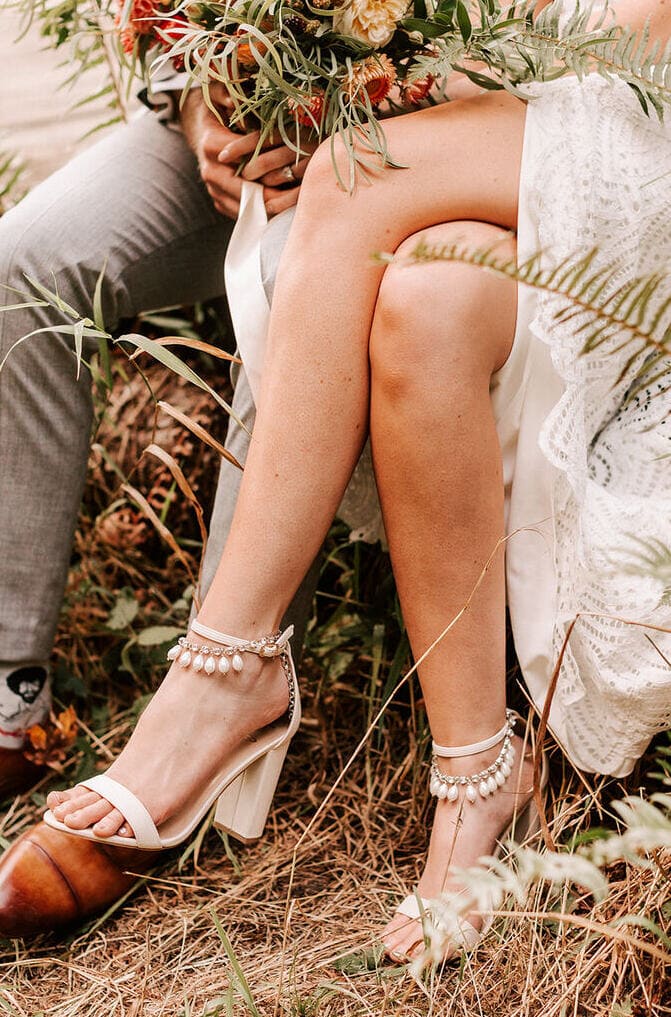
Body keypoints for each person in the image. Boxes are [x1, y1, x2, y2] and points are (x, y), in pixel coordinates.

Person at [14, 0, 671, 956]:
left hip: (621, 108)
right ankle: (482, 777)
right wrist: (258, 68)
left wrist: (369, 78)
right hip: (479, 128)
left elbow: (634, 38)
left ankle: (227, 668)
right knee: (428, 305)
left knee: (352, 171)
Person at [0, 75, 320, 932]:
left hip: (415, 146)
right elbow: (160, 19)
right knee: (26, 262)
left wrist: (343, 126)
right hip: (236, 123)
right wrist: (204, 112)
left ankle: (225, 684)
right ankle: (9, 696)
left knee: (292, 280)